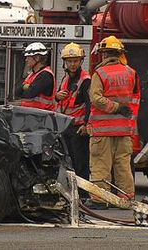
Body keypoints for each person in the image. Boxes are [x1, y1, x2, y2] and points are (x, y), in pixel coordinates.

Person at [85, 36, 140, 209]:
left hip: (103, 131)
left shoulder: (100, 74)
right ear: (119, 53)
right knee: (123, 165)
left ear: (103, 54)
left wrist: (115, 107)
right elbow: (133, 99)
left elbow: (96, 99)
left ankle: (100, 199)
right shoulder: (131, 73)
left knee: (101, 164)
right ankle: (125, 198)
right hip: (124, 130)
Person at [55, 43, 91, 194]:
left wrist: (87, 125)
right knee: (67, 162)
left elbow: (90, 105)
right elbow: (57, 99)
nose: (72, 64)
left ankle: (82, 194)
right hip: (66, 127)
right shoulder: (65, 78)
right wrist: (57, 97)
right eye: (69, 61)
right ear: (65, 62)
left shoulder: (86, 79)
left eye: (75, 61)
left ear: (81, 61)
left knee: (80, 163)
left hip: (78, 127)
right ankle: (72, 192)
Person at [15, 42, 56, 111]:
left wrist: (25, 87)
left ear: (37, 58)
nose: (26, 60)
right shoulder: (32, 74)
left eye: (28, 57)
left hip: (42, 117)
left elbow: (29, 93)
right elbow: (17, 91)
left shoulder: (45, 75)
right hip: (32, 115)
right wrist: (25, 87)